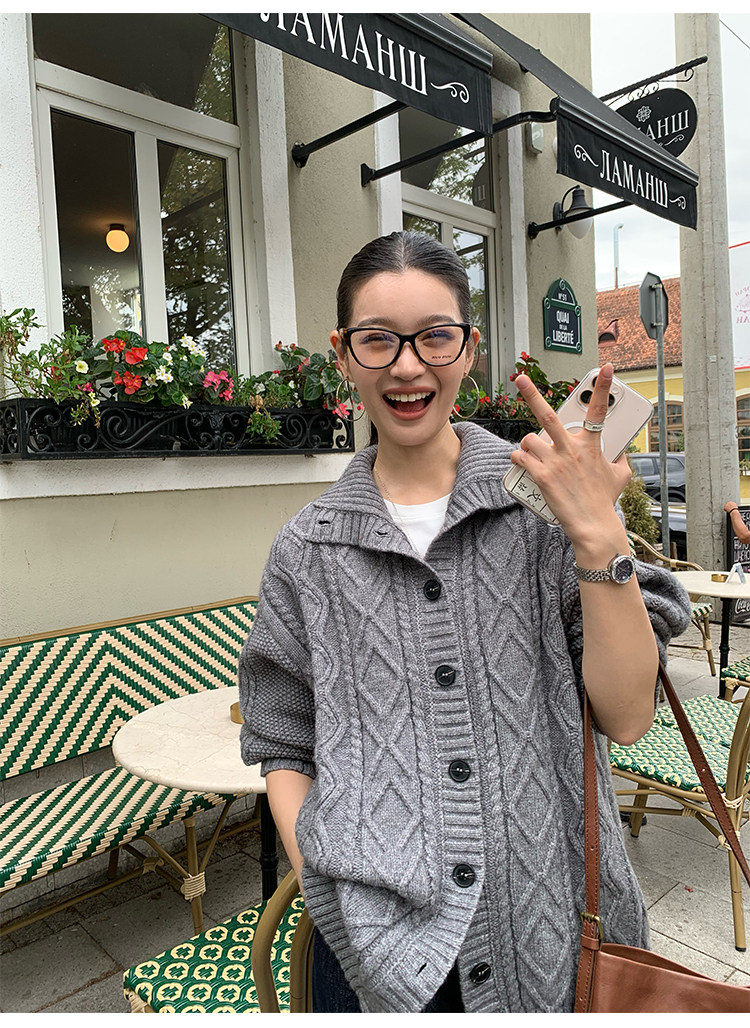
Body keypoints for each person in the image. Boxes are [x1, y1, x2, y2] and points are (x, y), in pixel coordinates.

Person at [238, 231, 691, 1013]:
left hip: (551, 937)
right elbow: (283, 735)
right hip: (370, 957)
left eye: (434, 336)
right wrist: (322, 878)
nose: (407, 366)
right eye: (377, 339)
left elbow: (626, 716)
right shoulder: (306, 550)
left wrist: (598, 537)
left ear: (469, 349)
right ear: (343, 355)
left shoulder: (545, 511)